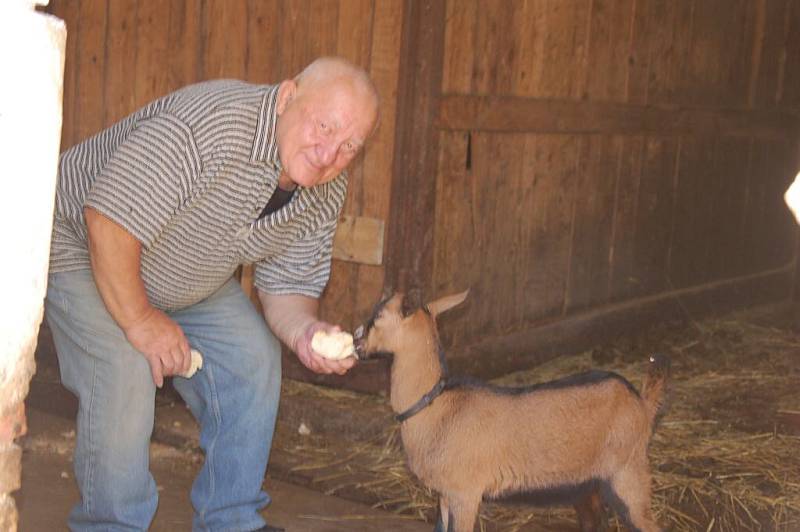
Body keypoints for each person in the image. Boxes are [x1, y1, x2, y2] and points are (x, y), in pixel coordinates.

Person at [45, 56, 379, 531]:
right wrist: (141, 321)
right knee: (123, 366)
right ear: (288, 98)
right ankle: (110, 526)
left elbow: (286, 288)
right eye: (323, 127)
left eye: (349, 145)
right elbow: (108, 220)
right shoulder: (214, 125)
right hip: (83, 239)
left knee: (254, 358)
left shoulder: (324, 188)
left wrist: (305, 331)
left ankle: (232, 520)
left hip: (183, 267)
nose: (328, 154)